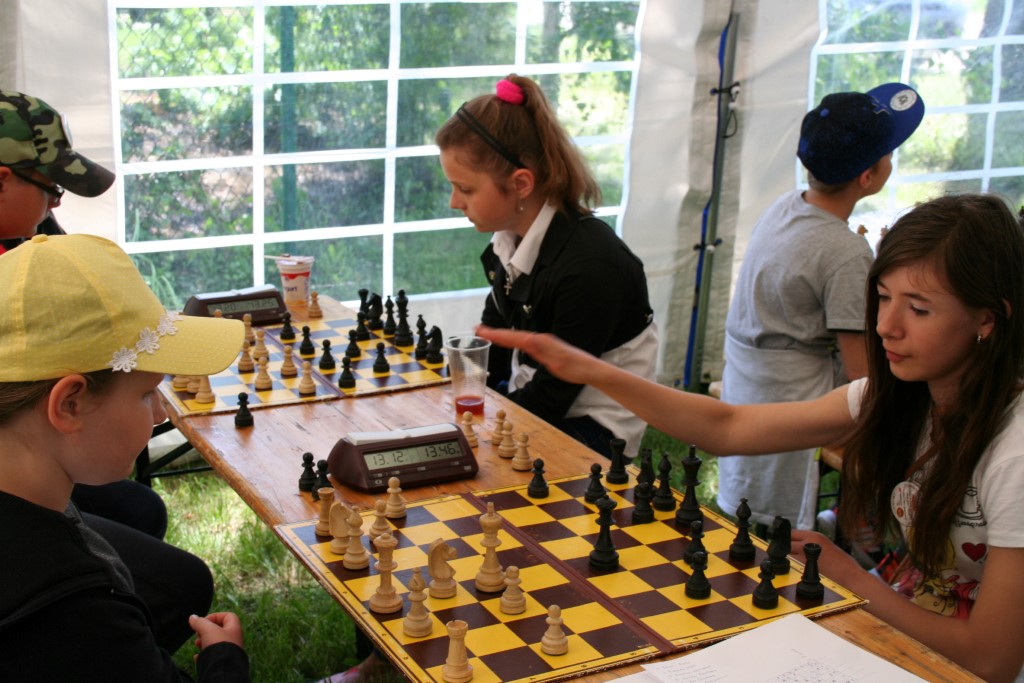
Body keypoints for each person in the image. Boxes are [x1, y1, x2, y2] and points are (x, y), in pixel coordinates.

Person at [477, 193, 1024, 683]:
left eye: (918, 308)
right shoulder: (900, 397)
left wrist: (851, 578)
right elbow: (728, 427)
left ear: (988, 320)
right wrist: (592, 369)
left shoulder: (1015, 452)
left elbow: (991, 661)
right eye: (882, 297)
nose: (886, 325)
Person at [0, 88, 214, 653]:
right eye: (51, 190)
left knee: (141, 512)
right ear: (1, 180)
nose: (56, 207)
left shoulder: (28, 240)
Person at [0, 233, 250, 681]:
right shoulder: (78, 613)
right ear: (69, 404)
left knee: (179, 580)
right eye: (147, 393)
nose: (159, 414)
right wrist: (224, 660)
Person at [719, 83, 925, 531]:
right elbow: (863, 376)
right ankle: (868, 527)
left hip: (751, 390)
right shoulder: (844, 252)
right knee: (905, 418)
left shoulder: (785, 206)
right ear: (868, 177)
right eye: (889, 153)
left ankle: (849, 519)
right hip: (790, 406)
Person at [434, 74, 657, 460]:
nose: (454, 202)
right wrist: (455, 396)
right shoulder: (508, 241)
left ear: (521, 184)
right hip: (535, 395)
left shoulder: (590, 268)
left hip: (595, 426)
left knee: (472, 469)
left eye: (465, 189)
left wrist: (484, 427)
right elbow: (494, 342)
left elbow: (555, 393)